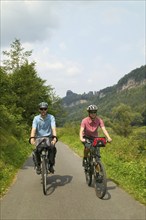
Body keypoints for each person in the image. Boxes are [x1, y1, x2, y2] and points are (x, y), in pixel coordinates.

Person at [30, 102, 57, 174]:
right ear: (39, 110)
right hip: (39, 137)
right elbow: (33, 129)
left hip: (49, 137)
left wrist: (54, 138)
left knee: (52, 148)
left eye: (45, 109)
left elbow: (53, 128)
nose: (43, 111)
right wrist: (32, 138)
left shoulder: (51, 117)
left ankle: (51, 165)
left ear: (47, 109)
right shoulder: (36, 118)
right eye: (41, 109)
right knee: (36, 151)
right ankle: (38, 166)